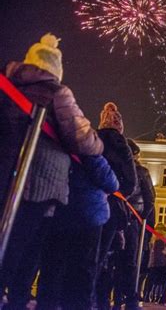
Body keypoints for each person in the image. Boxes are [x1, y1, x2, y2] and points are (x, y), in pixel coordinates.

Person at [0, 33, 104, 309]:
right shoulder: (57, 93)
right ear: (56, 67)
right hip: (42, 183)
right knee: (25, 253)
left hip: (6, 175)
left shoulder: (8, 86)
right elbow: (84, 139)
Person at [36, 154, 119, 310]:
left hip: (56, 209)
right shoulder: (88, 148)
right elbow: (111, 182)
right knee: (82, 269)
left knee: (53, 266)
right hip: (87, 214)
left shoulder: (58, 147)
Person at [95, 102, 138, 310]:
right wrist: (119, 191)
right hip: (112, 206)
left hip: (89, 201)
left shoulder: (93, 139)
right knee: (108, 256)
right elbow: (131, 182)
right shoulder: (122, 144)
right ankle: (103, 301)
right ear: (119, 125)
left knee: (90, 253)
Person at [112, 139, 155, 308]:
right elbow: (150, 198)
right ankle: (130, 298)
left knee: (113, 259)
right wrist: (143, 217)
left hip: (114, 217)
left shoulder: (114, 169)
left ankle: (113, 298)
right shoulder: (141, 172)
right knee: (130, 261)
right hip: (132, 221)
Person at [145, 223, 166, 303]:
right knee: (162, 281)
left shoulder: (153, 238)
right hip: (162, 264)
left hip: (152, 263)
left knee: (151, 280)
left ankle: (147, 295)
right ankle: (161, 297)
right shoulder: (164, 239)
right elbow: (164, 252)